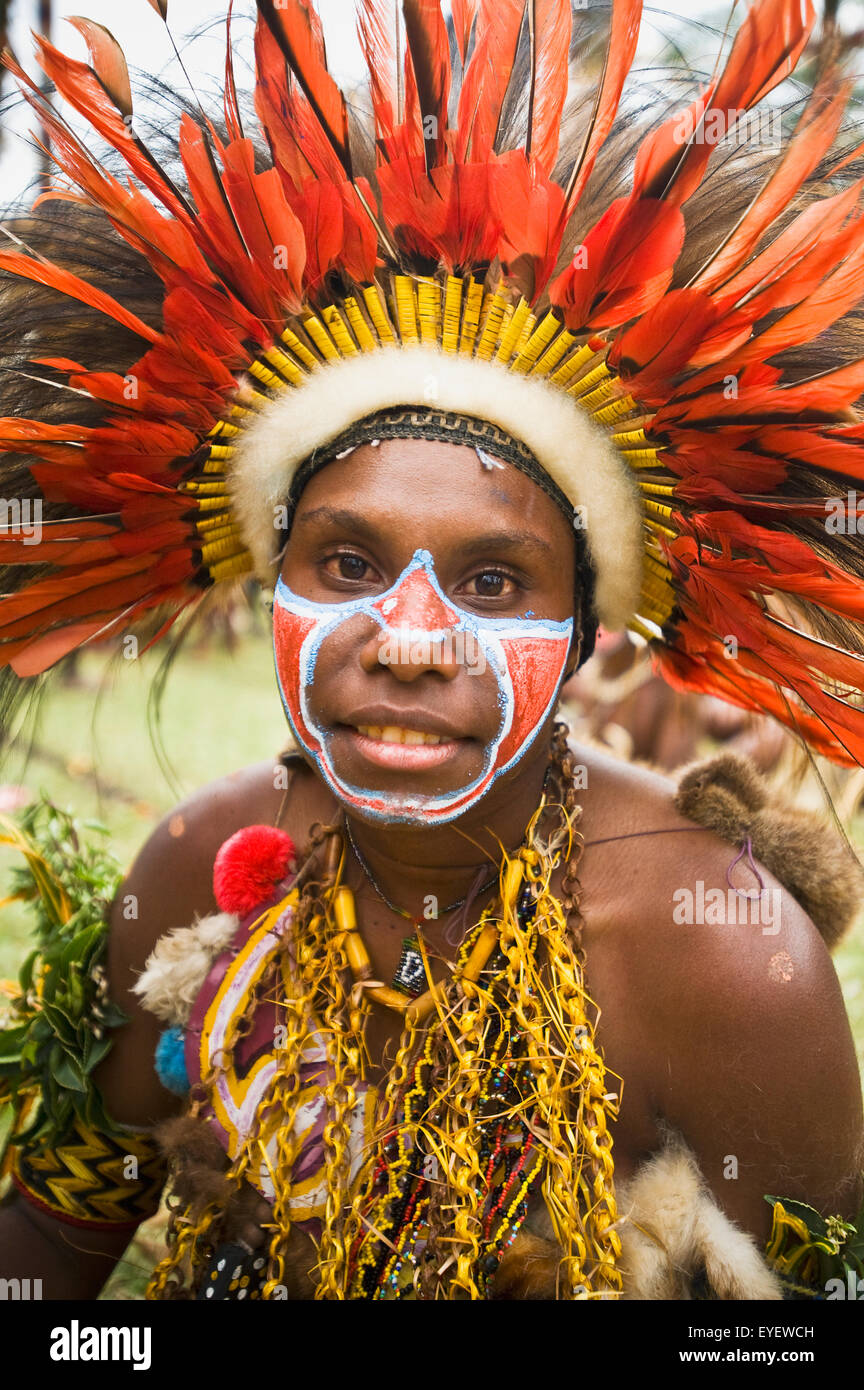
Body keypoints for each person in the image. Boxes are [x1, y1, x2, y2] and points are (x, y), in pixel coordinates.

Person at [0, 0, 863, 1300]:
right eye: (347, 562)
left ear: (582, 635)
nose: (406, 639)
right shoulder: (195, 869)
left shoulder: (727, 958)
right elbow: (53, 1260)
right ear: (272, 585)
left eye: (493, 576)